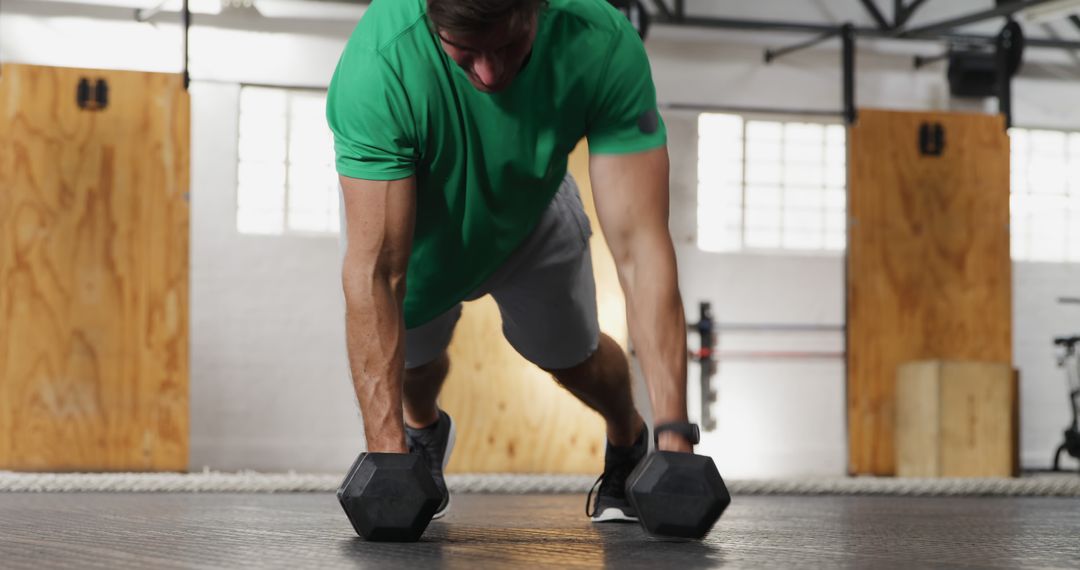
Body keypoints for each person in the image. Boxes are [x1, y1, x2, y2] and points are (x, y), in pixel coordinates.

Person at [327, 0, 693, 523]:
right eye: (466, 50)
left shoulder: (599, 41)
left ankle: (627, 439)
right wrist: (387, 461)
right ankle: (421, 432)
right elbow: (377, 274)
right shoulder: (380, 65)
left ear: (536, 9)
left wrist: (675, 438)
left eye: (507, 45)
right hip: (417, 233)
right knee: (412, 365)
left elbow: (640, 250)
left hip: (531, 213)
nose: (490, 72)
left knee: (578, 362)